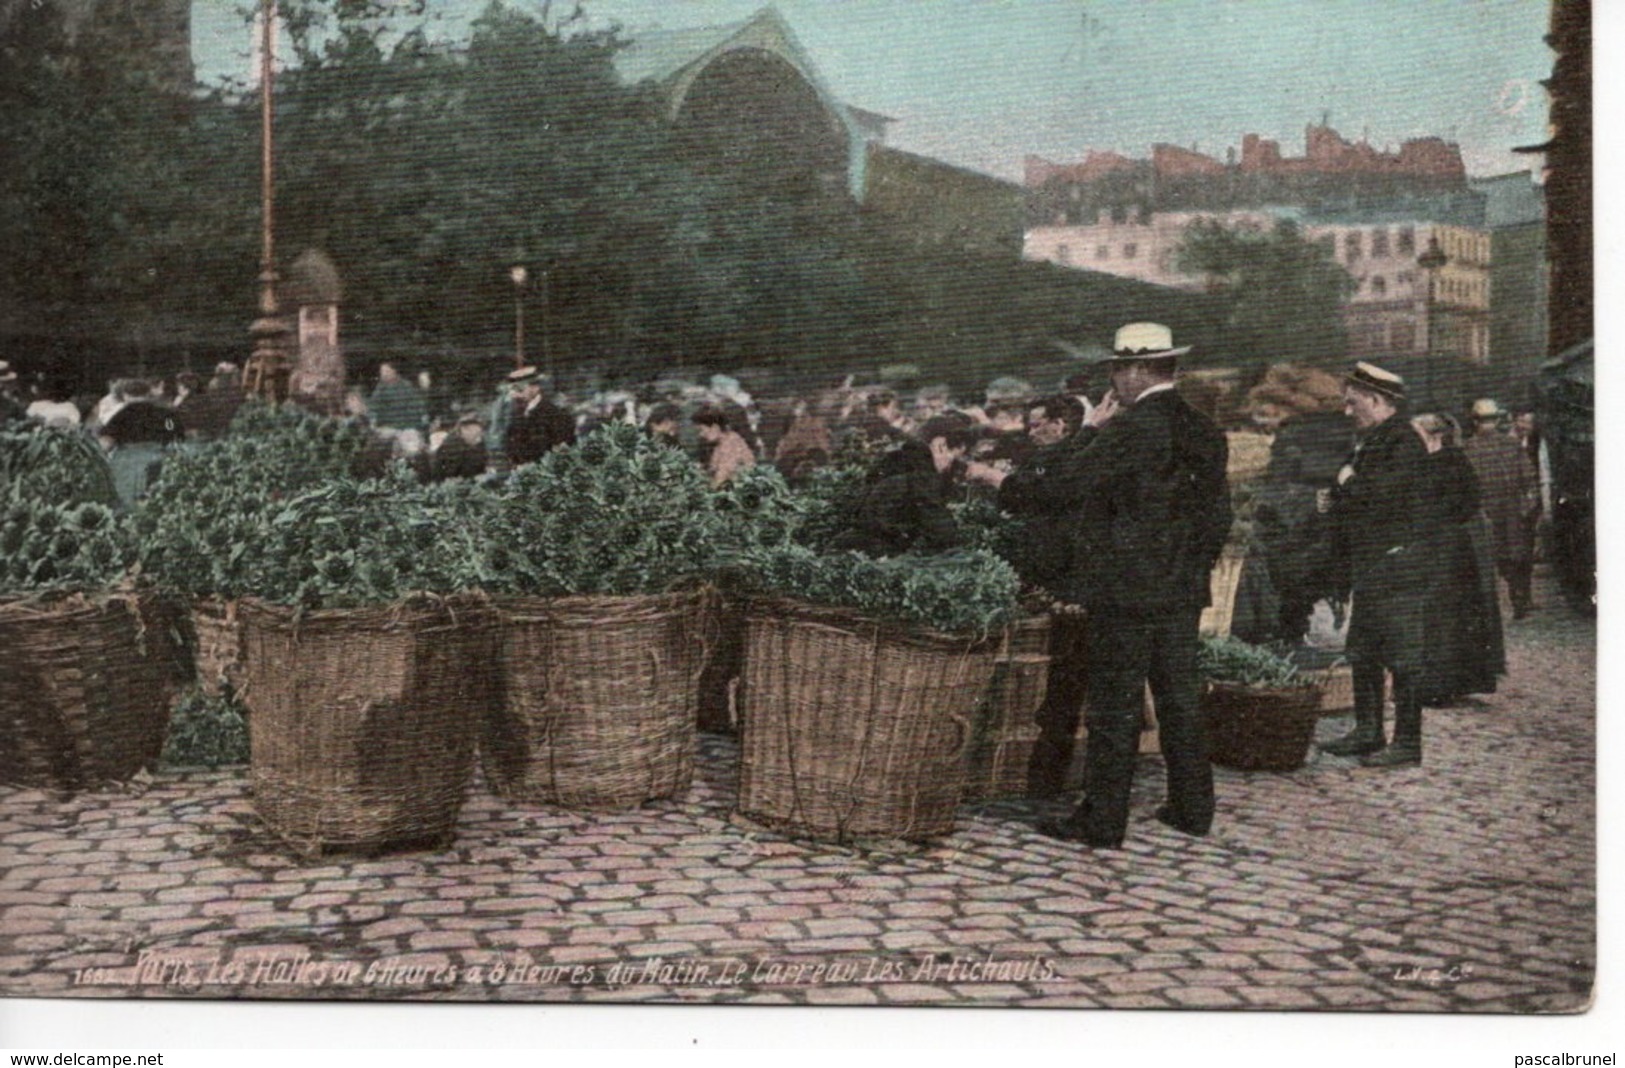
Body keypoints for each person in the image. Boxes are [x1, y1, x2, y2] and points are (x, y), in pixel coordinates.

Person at [973, 323, 1231, 846]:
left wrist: (1086, 432)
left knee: (1115, 704)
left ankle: (1102, 819)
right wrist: (1186, 568)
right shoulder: (1205, 430)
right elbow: (1217, 520)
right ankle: (1192, 807)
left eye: (1117, 368)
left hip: (1125, 591)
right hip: (1180, 591)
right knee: (1179, 697)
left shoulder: (1131, 430)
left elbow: (1064, 488)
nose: (1114, 378)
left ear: (1136, 369)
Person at [965, 393, 1088, 797]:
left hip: (1063, 583)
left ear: (1061, 425)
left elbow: (1034, 494)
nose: (1032, 432)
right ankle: (1044, 778)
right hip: (1050, 577)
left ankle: (1046, 780)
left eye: (1038, 425)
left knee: (1061, 687)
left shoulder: (1069, 459)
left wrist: (991, 477)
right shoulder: (1059, 457)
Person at [1318, 362, 1433, 768]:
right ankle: (1369, 731)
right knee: (1363, 651)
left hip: (1396, 564)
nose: (1348, 412)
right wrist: (1337, 496)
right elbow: (1354, 499)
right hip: (1372, 565)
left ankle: (1406, 742)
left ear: (1376, 400)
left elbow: (1382, 499)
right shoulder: (1373, 440)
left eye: (1353, 403)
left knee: (1403, 656)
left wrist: (1347, 483)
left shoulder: (1403, 442)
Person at [1412, 413, 1504, 703]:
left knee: (1447, 616)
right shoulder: (1420, 463)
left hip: (1452, 551)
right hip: (1430, 546)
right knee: (1432, 616)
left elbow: (1469, 500)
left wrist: (1438, 520)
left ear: (1433, 434)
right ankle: (1435, 683)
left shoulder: (1454, 461)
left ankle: (1443, 686)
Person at [828, 414, 977, 557]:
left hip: (847, 550)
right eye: (955, 458)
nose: (952, 467)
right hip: (869, 555)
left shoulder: (895, 461)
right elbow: (942, 533)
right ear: (941, 445)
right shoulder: (921, 473)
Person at [1463, 398, 1540, 619]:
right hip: (1488, 512)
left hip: (1509, 511)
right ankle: (1510, 600)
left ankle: (1519, 597)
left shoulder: (1509, 446)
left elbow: (1528, 477)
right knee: (1500, 558)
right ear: (1475, 422)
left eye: (1491, 419)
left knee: (1517, 556)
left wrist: (1528, 506)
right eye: (1484, 420)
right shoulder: (1468, 449)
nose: (1488, 424)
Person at [504, 366, 575, 468]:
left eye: (519, 389)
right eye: (511, 390)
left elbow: (562, 450)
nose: (513, 395)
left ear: (535, 388)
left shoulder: (554, 414)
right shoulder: (516, 415)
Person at [692, 406, 756, 487]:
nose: (700, 435)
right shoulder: (720, 444)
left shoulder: (731, 443)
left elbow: (721, 478)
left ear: (715, 427)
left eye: (701, 430)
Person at [368, 362, 429, 434]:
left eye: (386, 371)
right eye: (382, 371)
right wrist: (373, 420)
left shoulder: (406, 385)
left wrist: (423, 416)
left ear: (394, 371)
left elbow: (417, 403)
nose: (384, 374)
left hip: (407, 426)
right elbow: (374, 406)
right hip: (388, 426)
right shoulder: (380, 388)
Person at [429, 413, 490, 482]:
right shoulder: (452, 445)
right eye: (476, 434)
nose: (479, 438)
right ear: (464, 429)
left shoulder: (478, 445)